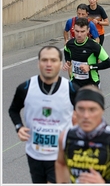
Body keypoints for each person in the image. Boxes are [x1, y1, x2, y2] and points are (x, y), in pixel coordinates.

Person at [8, 45, 79, 183]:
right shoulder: (25, 88)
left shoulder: (71, 89)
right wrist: (19, 127)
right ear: (38, 63)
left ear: (60, 64)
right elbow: (13, 110)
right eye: (44, 60)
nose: (48, 64)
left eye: (53, 60)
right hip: (34, 153)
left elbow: (86, 116)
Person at [55, 85, 110, 183]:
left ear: (102, 111)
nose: (86, 115)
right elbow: (60, 164)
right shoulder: (65, 137)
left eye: (92, 109)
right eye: (81, 109)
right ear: (75, 111)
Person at [63, 18, 110, 87]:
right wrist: (68, 61)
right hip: (74, 83)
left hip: (91, 84)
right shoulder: (70, 44)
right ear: (73, 29)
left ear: (88, 31)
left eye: (82, 31)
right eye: (77, 31)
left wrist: (90, 67)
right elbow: (66, 50)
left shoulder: (94, 45)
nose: (79, 35)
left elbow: (108, 63)